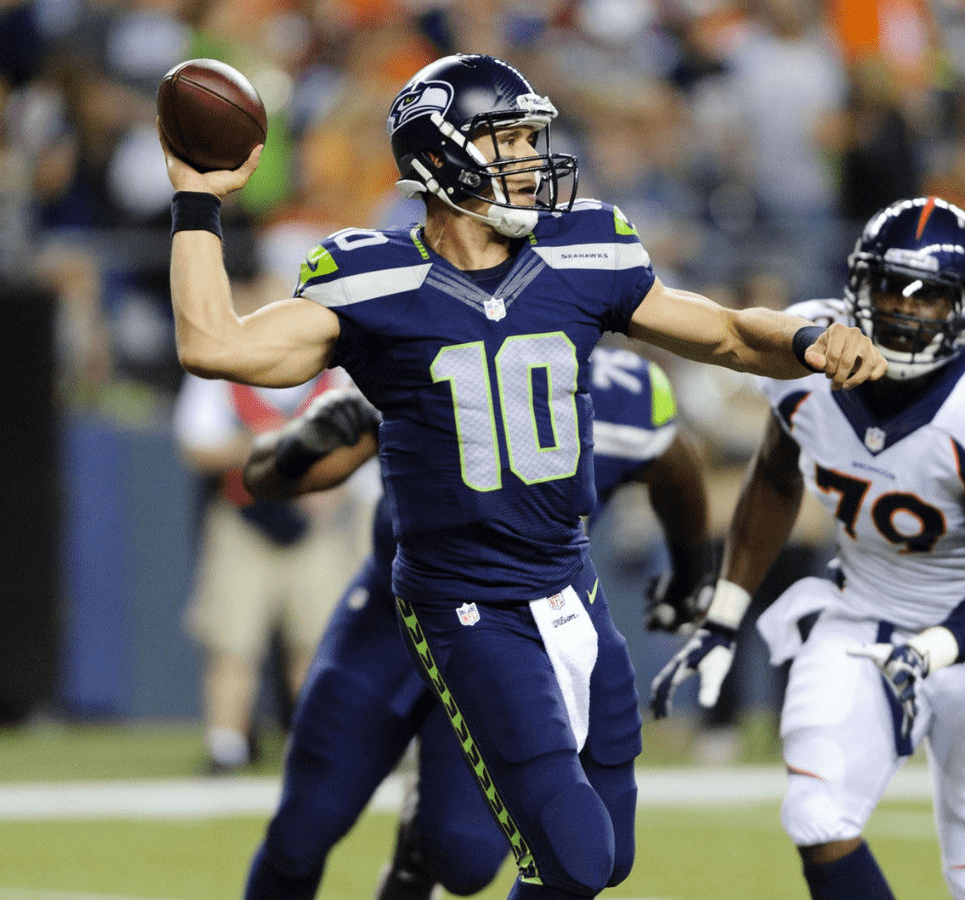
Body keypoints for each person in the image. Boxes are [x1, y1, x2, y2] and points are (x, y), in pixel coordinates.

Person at [161, 52, 884, 900]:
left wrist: (804, 339)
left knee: (604, 858)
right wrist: (197, 199)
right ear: (438, 158)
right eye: (503, 140)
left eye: (529, 137)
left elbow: (723, 330)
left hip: (568, 589)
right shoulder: (372, 278)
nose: (530, 159)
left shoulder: (585, 251)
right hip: (463, 600)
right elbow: (215, 344)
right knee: (564, 854)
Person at [652, 197, 965, 900]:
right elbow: (775, 479)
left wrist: (928, 651)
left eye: (930, 295)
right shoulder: (812, 351)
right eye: (889, 286)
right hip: (860, 610)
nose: (904, 310)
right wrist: (724, 613)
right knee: (815, 814)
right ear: (856, 284)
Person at [240, 346, 709, 900]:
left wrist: (690, 575)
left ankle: (417, 851)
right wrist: (298, 448)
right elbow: (269, 477)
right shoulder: (424, 344)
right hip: (391, 624)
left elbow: (677, 469)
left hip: (500, 643)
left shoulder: (623, 393)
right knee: (303, 830)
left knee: (463, 858)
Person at [173, 369, 374, 773]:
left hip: (314, 523)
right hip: (246, 518)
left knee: (318, 643)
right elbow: (195, 445)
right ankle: (226, 747)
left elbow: (368, 438)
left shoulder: (337, 372)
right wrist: (256, 442)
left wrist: (333, 486)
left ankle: (315, 748)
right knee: (231, 643)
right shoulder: (225, 369)